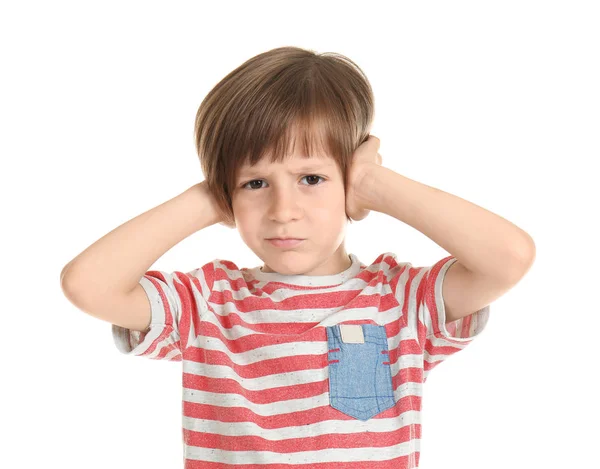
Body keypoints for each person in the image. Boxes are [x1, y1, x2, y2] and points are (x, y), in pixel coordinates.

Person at [60, 46, 535, 468]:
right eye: (255, 183)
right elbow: (88, 284)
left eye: (311, 178)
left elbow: (508, 257)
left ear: (349, 176)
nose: (283, 212)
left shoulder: (399, 298)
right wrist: (208, 197)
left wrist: (374, 184)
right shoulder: (207, 303)